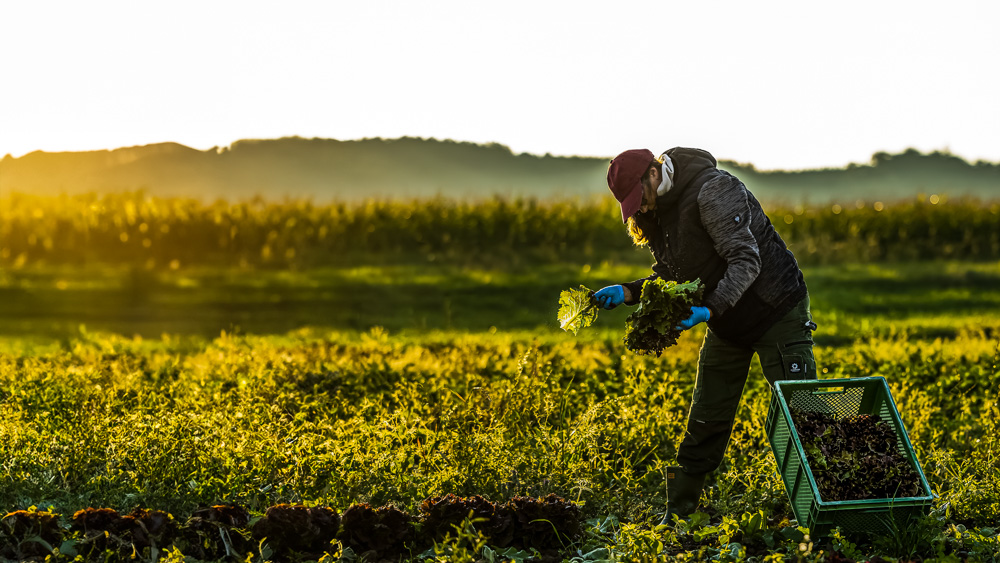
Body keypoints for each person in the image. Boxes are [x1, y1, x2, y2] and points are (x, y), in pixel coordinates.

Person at [595, 147, 817, 523]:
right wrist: (630, 291)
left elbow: (746, 260)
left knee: (800, 412)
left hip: (775, 308)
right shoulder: (661, 213)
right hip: (728, 322)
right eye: (632, 205)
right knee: (706, 414)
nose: (641, 208)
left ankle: (826, 509)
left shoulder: (712, 190)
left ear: (653, 172)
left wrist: (709, 309)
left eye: (640, 197)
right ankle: (680, 513)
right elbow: (673, 273)